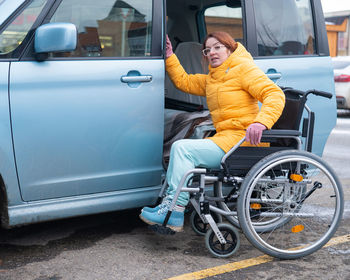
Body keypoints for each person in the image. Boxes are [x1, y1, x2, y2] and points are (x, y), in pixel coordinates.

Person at [139, 31, 285, 232]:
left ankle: (174, 209)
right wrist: (170, 56)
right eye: (208, 50)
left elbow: (274, 94)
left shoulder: (243, 69)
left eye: (218, 47)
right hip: (226, 139)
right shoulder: (213, 78)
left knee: (183, 149)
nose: (212, 53)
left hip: (243, 142)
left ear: (230, 48)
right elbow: (184, 81)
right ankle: (170, 205)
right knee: (182, 148)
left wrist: (261, 122)